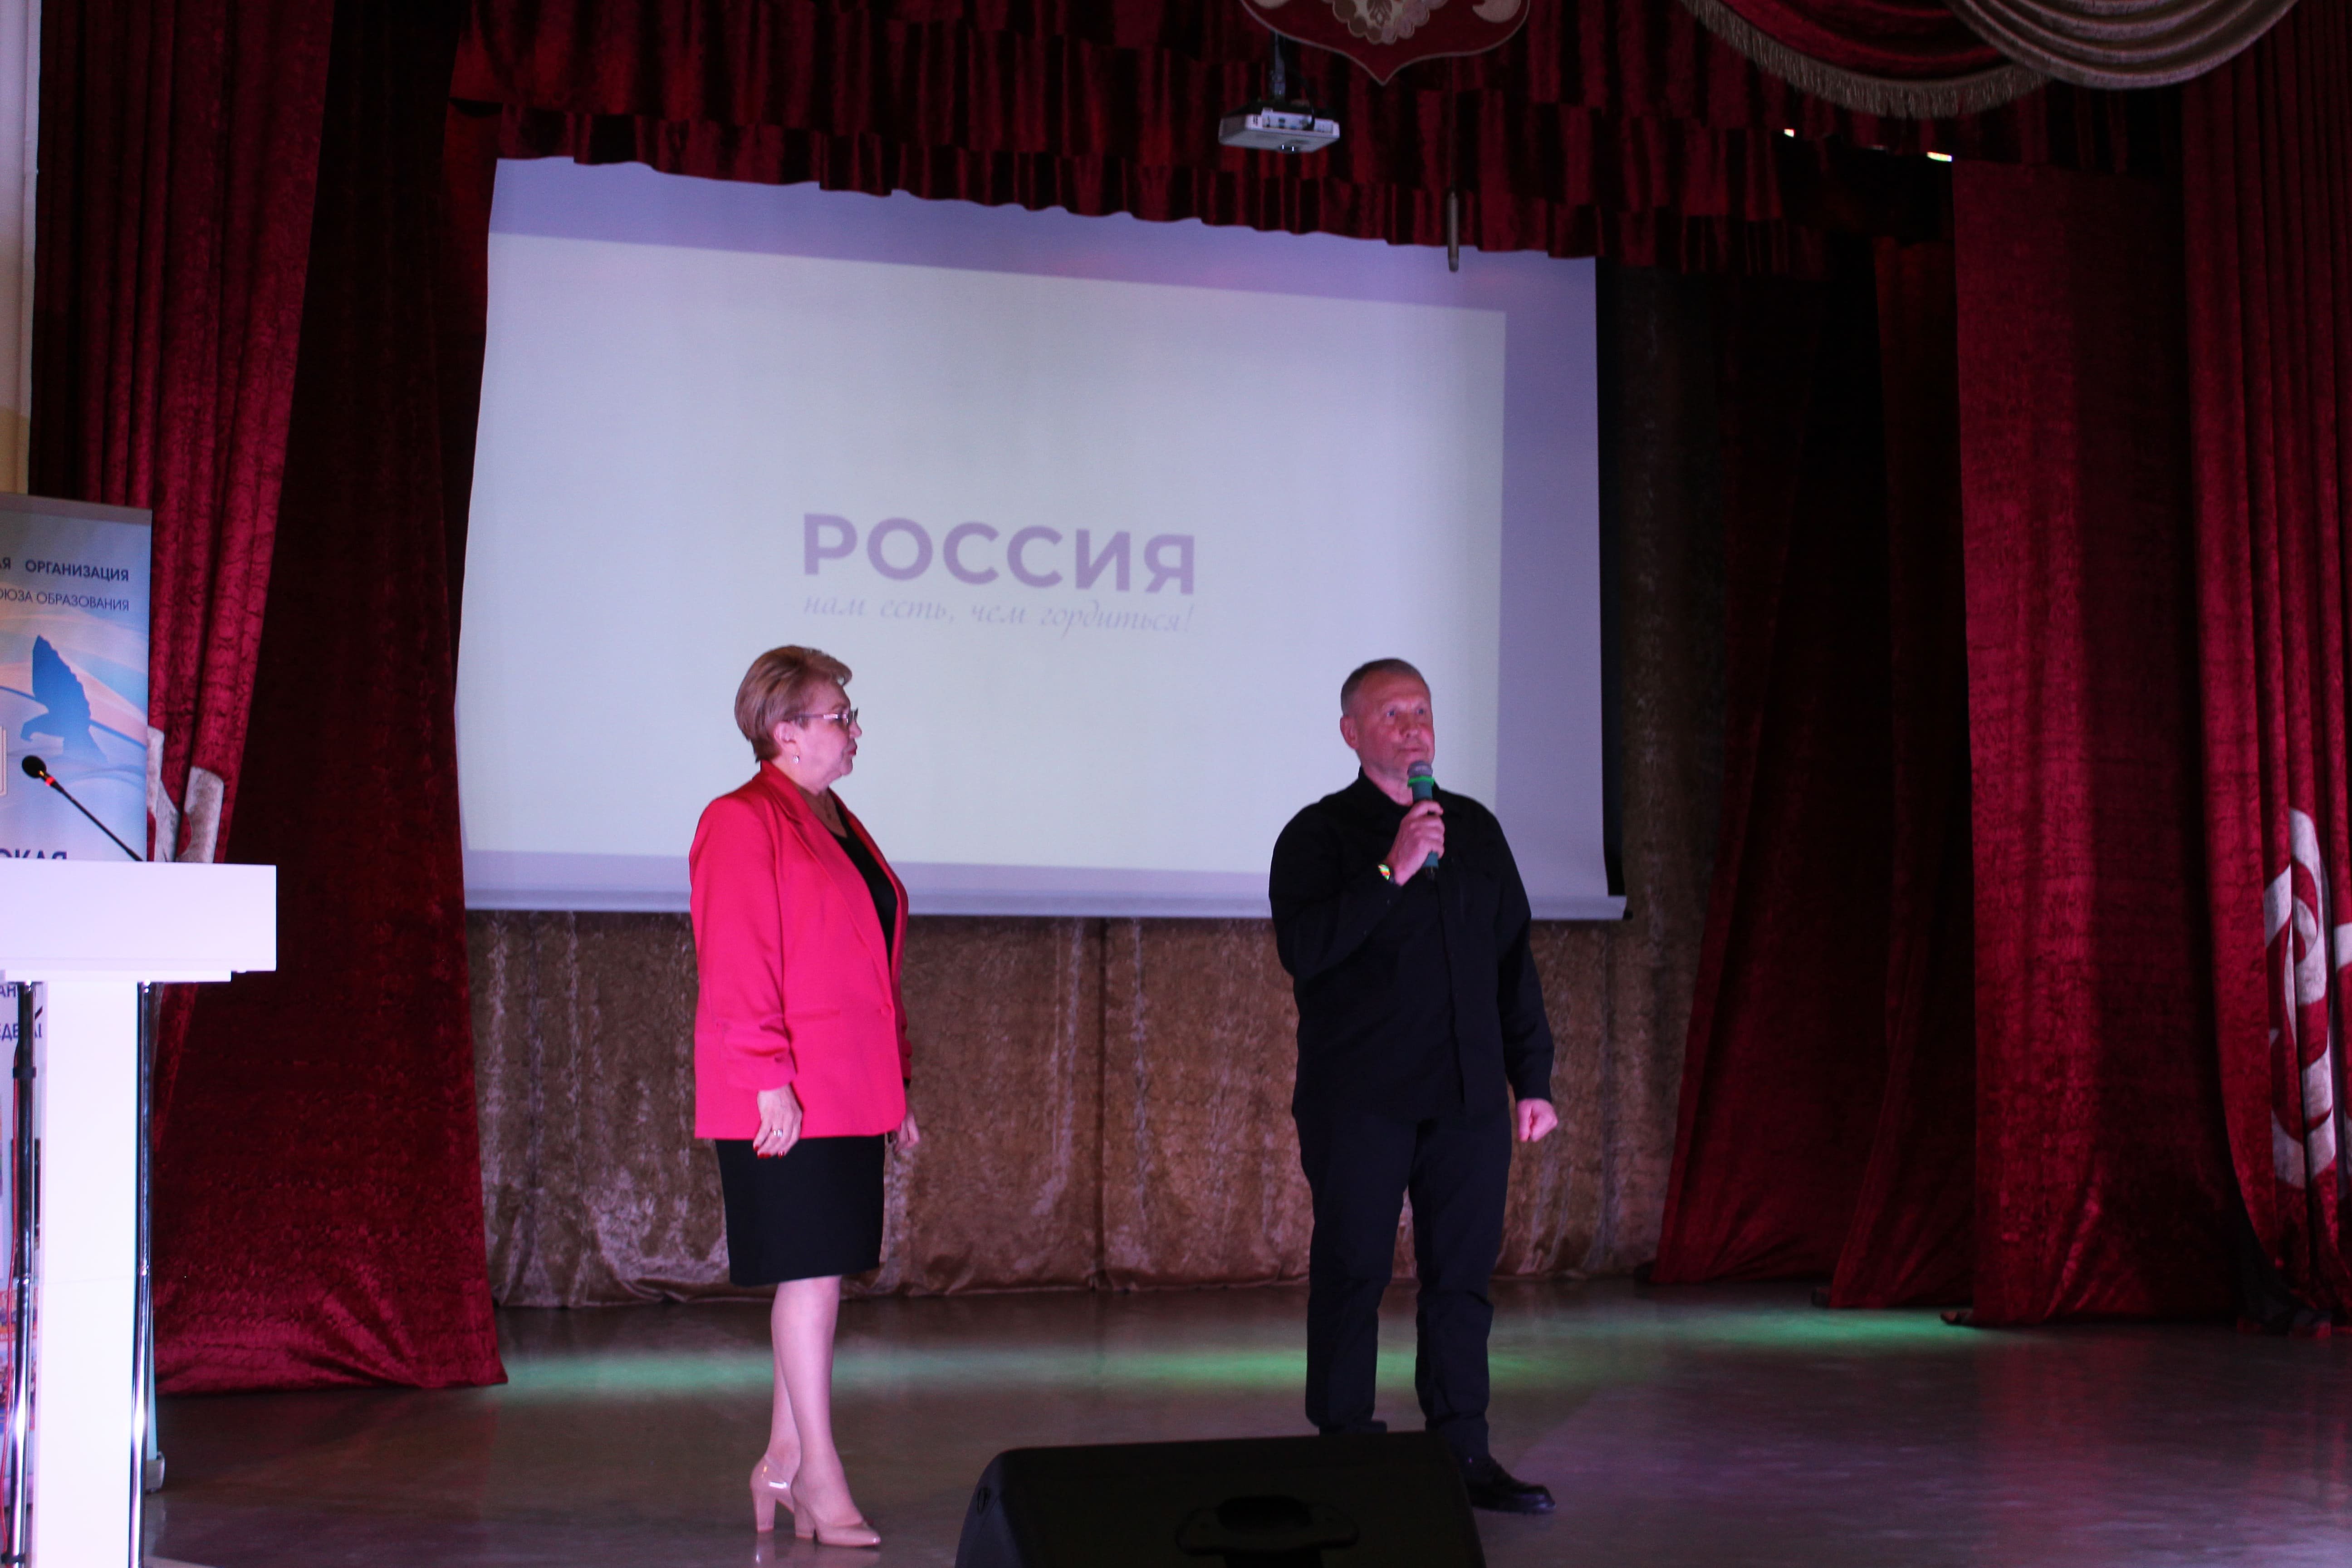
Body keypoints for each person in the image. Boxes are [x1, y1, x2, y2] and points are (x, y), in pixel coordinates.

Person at [1268, 657, 1562, 1514]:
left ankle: (1461, 1451)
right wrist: (1392, 870)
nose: (1413, 728)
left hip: (1467, 1097)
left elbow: (1511, 962)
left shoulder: (1475, 829)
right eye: (1392, 714)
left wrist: (1532, 1078)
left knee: (1462, 1279)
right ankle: (1346, 1451)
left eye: (1422, 712)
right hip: (1360, 1098)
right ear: (1352, 733)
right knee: (1353, 1270)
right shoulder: (1318, 836)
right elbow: (1306, 951)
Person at [690, 645, 921, 1549]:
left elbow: (871, 966)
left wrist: (898, 1083)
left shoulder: (835, 820)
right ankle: (819, 1475)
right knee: (811, 1276)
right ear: (786, 731)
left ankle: (783, 1462)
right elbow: (736, 959)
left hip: (847, 1087)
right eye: (840, 716)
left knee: (819, 1275)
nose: (855, 730)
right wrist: (767, 1079)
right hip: (784, 1092)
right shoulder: (742, 820)